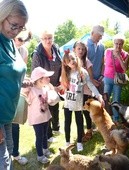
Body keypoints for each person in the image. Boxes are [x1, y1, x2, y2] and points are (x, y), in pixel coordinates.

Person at [0, 0, 28, 169]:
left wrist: (22, 81)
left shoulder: (10, 41)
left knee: (8, 159)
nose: (17, 31)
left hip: (7, 115)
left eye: (22, 27)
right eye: (14, 25)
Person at [59, 50, 104, 152]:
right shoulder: (65, 73)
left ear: (77, 58)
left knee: (79, 122)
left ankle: (79, 142)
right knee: (67, 123)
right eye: (69, 60)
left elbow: (90, 84)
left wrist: (98, 95)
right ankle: (67, 142)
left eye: (73, 59)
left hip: (79, 103)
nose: (72, 61)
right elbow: (62, 87)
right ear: (65, 63)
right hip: (68, 103)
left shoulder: (82, 72)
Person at [21, 67, 60, 164]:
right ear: (39, 79)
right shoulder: (31, 91)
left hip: (45, 117)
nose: (49, 78)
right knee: (39, 136)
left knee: (45, 135)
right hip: (36, 119)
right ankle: (40, 155)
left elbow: (49, 98)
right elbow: (22, 91)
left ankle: (45, 149)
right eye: (46, 77)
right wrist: (28, 83)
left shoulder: (45, 88)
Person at [32, 29, 62, 143]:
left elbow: (62, 65)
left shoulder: (56, 48)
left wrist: (60, 79)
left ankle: (56, 128)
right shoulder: (37, 54)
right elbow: (36, 73)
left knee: (55, 106)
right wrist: (49, 86)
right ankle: (48, 135)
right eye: (44, 38)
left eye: (50, 38)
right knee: (47, 109)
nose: (48, 40)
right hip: (44, 84)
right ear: (41, 39)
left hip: (55, 82)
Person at [11, 30, 32, 165]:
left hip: (16, 92)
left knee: (15, 123)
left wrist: (25, 83)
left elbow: (22, 72)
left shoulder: (23, 51)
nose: (20, 42)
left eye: (24, 40)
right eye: (19, 39)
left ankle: (15, 153)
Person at [103, 34, 129, 121]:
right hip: (107, 79)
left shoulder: (125, 54)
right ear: (113, 43)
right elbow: (104, 63)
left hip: (118, 81)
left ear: (123, 44)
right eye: (116, 43)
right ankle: (105, 118)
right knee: (105, 99)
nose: (118, 45)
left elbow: (125, 69)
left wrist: (119, 57)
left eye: (120, 44)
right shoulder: (108, 51)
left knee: (116, 101)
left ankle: (116, 119)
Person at [73, 41, 94, 142]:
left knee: (86, 111)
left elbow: (91, 77)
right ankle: (80, 132)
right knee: (78, 112)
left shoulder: (87, 62)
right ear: (74, 50)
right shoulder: (72, 61)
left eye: (83, 49)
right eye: (79, 49)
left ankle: (89, 130)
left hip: (86, 91)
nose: (81, 51)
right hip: (76, 92)